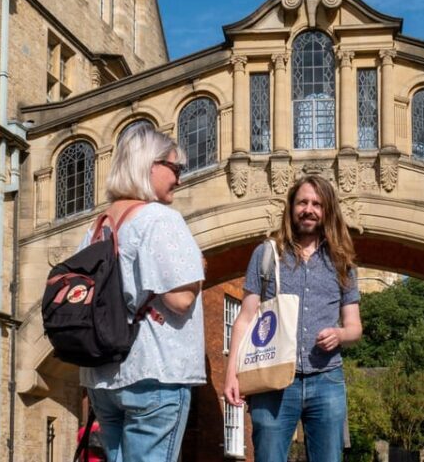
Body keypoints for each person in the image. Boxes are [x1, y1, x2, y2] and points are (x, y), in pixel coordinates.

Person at [78, 124, 205, 462]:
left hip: (104, 378)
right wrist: (199, 270)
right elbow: (180, 300)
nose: (179, 178)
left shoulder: (97, 226)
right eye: (175, 168)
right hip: (156, 372)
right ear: (151, 165)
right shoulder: (160, 219)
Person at [224, 175, 363, 462]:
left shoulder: (342, 261)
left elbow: (355, 327)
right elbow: (245, 318)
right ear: (291, 207)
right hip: (271, 381)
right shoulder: (266, 254)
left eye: (316, 204)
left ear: (327, 211)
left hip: (326, 380)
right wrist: (230, 374)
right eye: (303, 202)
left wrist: (340, 334)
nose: (308, 209)